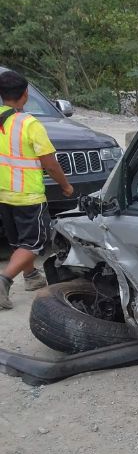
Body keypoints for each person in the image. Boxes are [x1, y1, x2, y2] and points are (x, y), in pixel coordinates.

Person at [0, 69, 74, 309]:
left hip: (4, 194)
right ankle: (3, 280)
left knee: (19, 240)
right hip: (28, 196)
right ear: (26, 94)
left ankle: (31, 277)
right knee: (35, 243)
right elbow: (50, 163)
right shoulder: (29, 123)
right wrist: (65, 186)